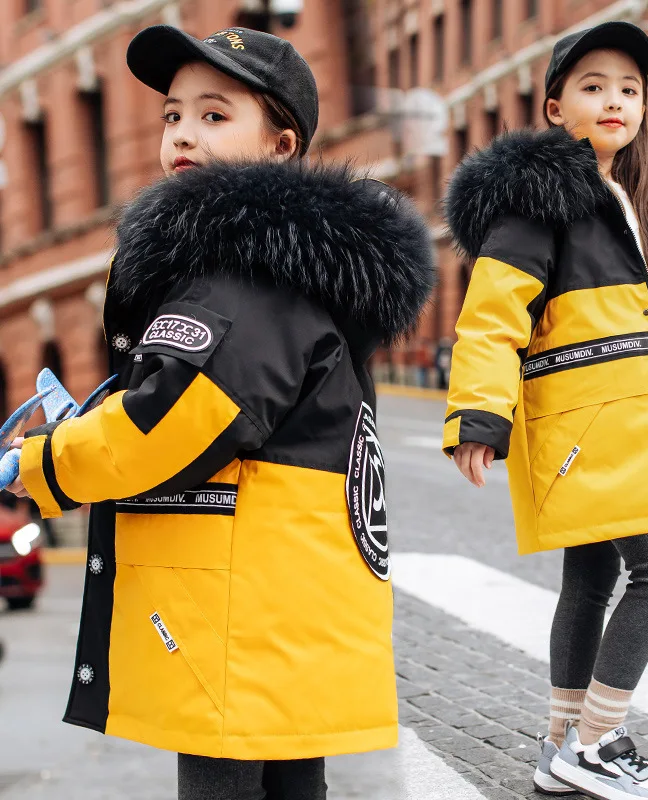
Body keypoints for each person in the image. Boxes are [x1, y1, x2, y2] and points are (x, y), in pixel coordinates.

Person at [7, 24, 434, 800]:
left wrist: (42, 462)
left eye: (214, 115)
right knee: (291, 781)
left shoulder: (244, 273)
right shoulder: (291, 271)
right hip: (280, 608)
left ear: (280, 145)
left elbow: (172, 422)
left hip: (234, 617)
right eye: (172, 116)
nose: (182, 136)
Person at [442, 21, 648, 800]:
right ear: (556, 108)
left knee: (591, 578)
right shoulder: (537, 205)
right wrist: (477, 419)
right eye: (593, 87)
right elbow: (491, 319)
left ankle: (560, 741)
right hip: (587, 434)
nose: (614, 100)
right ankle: (599, 742)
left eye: (629, 88)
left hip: (631, 427)